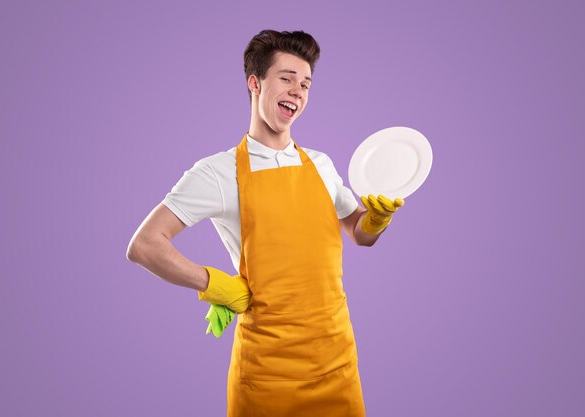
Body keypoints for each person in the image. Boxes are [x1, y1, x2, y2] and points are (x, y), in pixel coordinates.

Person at [126, 29, 404, 417]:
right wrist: (215, 284)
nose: (297, 91)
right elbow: (144, 245)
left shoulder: (321, 165)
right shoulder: (218, 173)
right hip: (266, 373)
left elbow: (358, 234)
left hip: (336, 362)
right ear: (255, 83)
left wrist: (375, 221)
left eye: (305, 83)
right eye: (286, 78)